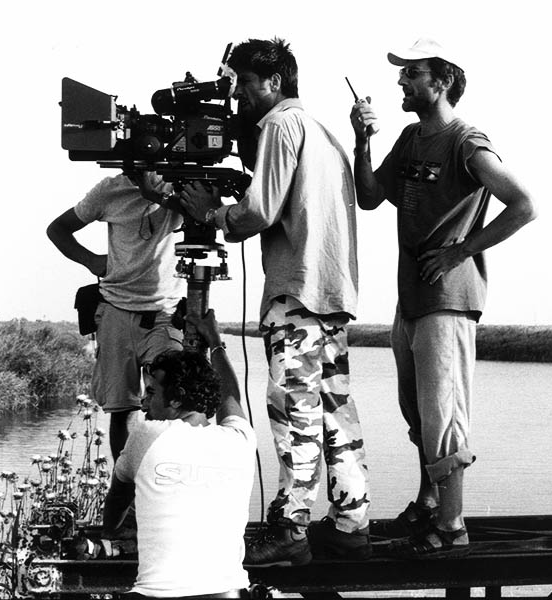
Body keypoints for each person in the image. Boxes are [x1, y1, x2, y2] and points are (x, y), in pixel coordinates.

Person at [180, 38, 371, 565]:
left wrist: (212, 212)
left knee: (294, 412)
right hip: (329, 293)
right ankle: (352, 524)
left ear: (274, 82)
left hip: (296, 292)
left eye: (244, 82)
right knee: (334, 412)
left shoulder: (281, 126)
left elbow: (260, 210)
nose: (237, 94)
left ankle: (291, 527)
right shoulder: (320, 131)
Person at [350, 38, 537, 558]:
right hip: (411, 296)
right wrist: (362, 142)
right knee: (418, 412)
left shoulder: (465, 141)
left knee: (444, 415)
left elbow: (523, 205)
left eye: (412, 73)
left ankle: (452, 526)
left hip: (448, 298)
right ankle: (429, 502)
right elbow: (369, 197)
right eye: (403, 73)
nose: (401, 81)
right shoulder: (411, 138)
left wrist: (461, 251)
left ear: (443, 80)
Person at [102, 310, 257, 599]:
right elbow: (230, 397)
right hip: (228, 593)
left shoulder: (147, 435)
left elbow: (117, 499)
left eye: (151, 392)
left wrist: (110, 532)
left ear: (176, 399)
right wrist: (215, 342)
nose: (144, 402)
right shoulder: (241, 440)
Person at [46, 172, 185, 461]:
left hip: (164, 312)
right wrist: (90, 260)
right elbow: (57, 229)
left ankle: (161, 478)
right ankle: (124, 481)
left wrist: (156, 194)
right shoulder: (110, 189)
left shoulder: (178, 184)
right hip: (115, 310)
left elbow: (211, 217)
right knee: (121, 409)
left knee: (171, 404)